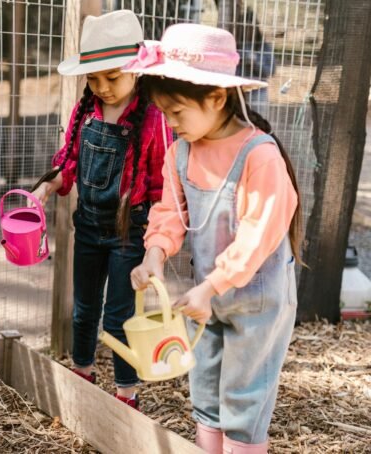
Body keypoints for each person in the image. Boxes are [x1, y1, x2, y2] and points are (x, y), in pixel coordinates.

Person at [125, 24, 302, 453]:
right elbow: (169, 213)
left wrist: (211, 286)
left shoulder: (259, 155)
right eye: (164, 113)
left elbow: (256, 239)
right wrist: (154, 255)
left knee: (245, 395)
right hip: (207, 298)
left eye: (178, 112)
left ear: (217, 98)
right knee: (205, 388)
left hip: (257, 300)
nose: (170, 123)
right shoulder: (180, 152)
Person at [31, 10, 171, 410]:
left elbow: (162, 187)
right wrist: (49, 185)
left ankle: (127, 395)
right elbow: (70, 162)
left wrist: (156, 246)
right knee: (83, 310)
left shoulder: (153, 119)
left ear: (136, 71)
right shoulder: (87, 110)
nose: (103, 87)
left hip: (131, 233)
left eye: (113, 77)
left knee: (119, 319)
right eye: (94, 78)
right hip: (88, 227)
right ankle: (82, 373)